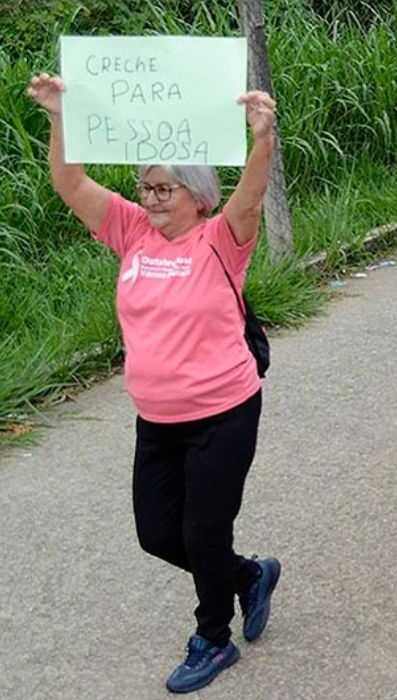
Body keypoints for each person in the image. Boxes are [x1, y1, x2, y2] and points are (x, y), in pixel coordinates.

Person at [26, 75, 284, 693]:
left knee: (202, 529)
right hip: (157, 416)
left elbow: (248, 199)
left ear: (197, 195)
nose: (151, 199)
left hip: (224, 409)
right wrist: (62, 117)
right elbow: (70, 183)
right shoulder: (131, 230)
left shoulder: (221, 239)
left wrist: (263, 137)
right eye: (145, 188)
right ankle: (248, 575)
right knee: (158, 533)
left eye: (163, 188)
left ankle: (213, 639)